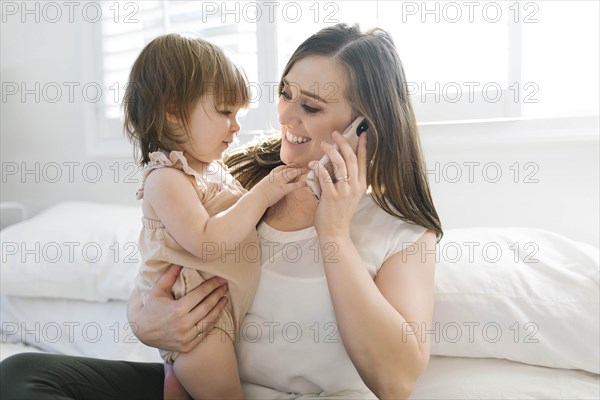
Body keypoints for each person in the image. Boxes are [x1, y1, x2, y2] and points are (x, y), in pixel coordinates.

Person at [0, 23, 442, 400]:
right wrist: (146, 320)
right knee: (21, 375)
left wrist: (334, 235)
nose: (287, 115)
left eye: (310, 105)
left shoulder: (401, 232)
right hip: (202, 381)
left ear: (363, 126)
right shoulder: (235, 177)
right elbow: (167, 255)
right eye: (285, 93)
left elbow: (395, 380)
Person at [124, 34, 306, 399]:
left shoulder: (211, 169)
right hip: (198, 325)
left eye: (237, 114)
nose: (236, 126)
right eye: (225, 112)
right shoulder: (167, 178)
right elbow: (207, 241)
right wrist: (264, 192)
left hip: (212, 318)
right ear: (172, 111)